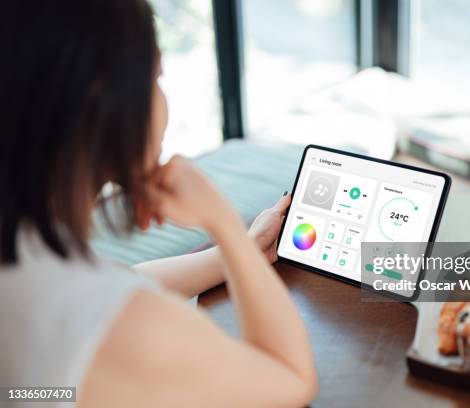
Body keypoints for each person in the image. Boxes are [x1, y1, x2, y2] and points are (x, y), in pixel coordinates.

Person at [0, 1, 318, 407]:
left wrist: (242, 248)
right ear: (107, 102)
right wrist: (220, 218)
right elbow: (291, 379)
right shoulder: (117, 328)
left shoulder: (30, 252)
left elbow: (117, 281)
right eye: (156, 77)